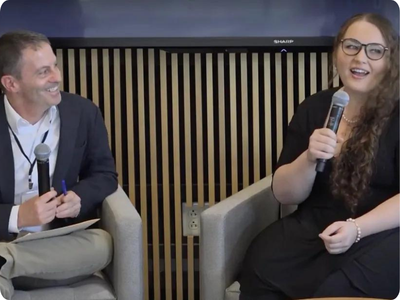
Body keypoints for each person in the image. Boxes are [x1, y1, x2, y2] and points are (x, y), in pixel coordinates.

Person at [239, 13, 399, 300]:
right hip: (315, 228)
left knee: (341, 286)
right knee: (262, 265)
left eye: (375, 51)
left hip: (380, 231)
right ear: (337, 52)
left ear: (390, 62)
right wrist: (309, 158)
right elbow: (285, 193)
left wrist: (357, 229)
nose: (360, 58)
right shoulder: (315, 107)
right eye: (351, 46)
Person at [0, 30, 118, 299]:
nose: (57, 77)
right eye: (43, 72)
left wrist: (79, 196)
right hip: (6, 238)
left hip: (58, 251)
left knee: (102, 245)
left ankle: (5, 260)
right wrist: (18, 216)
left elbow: (104, 174)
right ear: (11, 83)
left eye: (55, 65)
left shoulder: (83, 113)